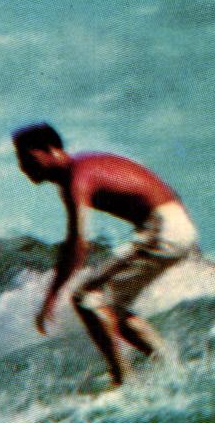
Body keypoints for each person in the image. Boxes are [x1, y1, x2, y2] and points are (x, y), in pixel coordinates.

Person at [12, 122, 198, 388]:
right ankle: (171, 367)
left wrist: (52, 296)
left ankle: (123, 381)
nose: (23, 167)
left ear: (51, 149)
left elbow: (78, 243)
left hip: (164, 227)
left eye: (27, 158)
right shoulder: (81, 170)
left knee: (87, 299)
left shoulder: (78, 176)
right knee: (112, 310)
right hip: (174, 224)